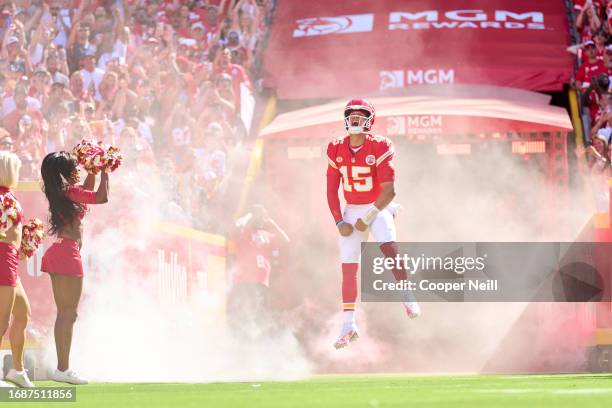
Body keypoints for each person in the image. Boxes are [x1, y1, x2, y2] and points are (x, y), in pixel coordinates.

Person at [326, 99, 420, 349]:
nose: (356, 118)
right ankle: (348, 324)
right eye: (351, 114)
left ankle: (407, 295)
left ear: (370, 119)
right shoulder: (335, 148)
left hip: (376, 206)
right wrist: (339, 221)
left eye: (361, 114)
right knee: (348, 267)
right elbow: (331, 190)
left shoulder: (380, 145)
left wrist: (366, 219)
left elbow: (389, 192)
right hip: (352, 208)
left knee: (389, 247)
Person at [40, 152, 109, 385]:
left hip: (60, 251)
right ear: (64, 172)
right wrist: (105, 169)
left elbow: (88, 192)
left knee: (67, 314)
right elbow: (100, 197)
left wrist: (94, 167)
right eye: (74, 167)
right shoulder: (68, 192)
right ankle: (63, 369)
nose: (77, 169)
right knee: (68, 314)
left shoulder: (65, 192)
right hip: (67, 253)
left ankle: (62, 367)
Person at [0, 151, 34, 387]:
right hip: (3, 258)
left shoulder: (8, 195)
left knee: (23, 313)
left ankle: (17, 369)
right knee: (1, 320)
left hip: (11, 259)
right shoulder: (3, 196)